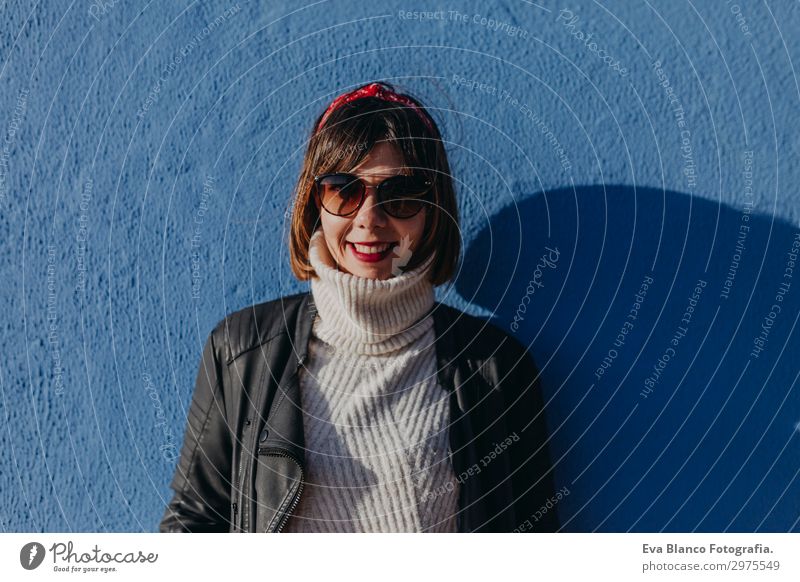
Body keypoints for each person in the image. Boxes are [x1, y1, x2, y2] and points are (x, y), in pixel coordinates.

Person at [159, 81, 559, 533]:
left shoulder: (496, 367)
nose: (370, 217)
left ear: (433, 210)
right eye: (343, 190)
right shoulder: (240, 350)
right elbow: (195, 520)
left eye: (401, 193)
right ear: (315, 204)